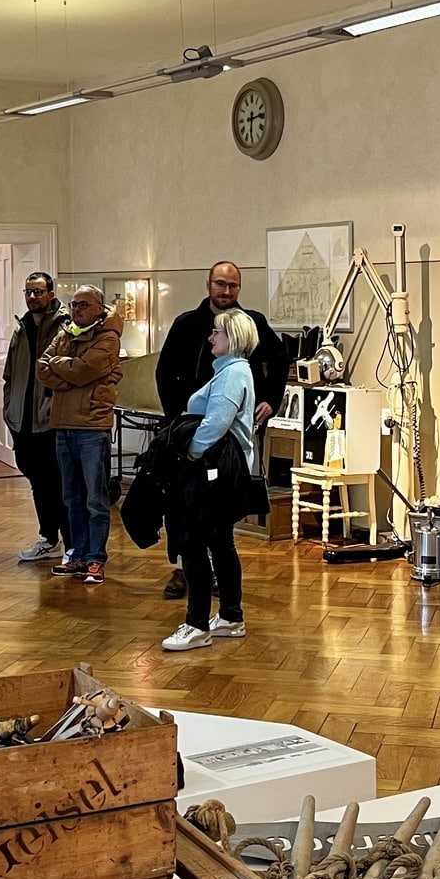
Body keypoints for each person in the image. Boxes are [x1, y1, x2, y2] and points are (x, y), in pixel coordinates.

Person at [154, 261, 288, 599]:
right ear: (209, 284)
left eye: (232, 285)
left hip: (224, 436)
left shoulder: (250, 324)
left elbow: (280, 360)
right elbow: (165, 373)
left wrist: (271, 399)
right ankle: (185, 568)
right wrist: (178, 421)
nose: (226, 291)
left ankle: (214, 579)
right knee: (183, 507)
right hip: (191, 426)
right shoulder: (187, 323)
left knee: (217, 513)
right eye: (220, 284)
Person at [161, 308, 262, 651]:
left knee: (193, 544)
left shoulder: (232, 374)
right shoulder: (233, 371)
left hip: (211, 473)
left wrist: (185, 456)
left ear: (233, 337)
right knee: (220, 543)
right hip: (222, 472)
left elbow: (214, 425)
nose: (210, 338)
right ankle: (231, 617)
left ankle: (197, 625)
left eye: (217, 332)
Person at [37, 285, 122, 585]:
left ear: (100, 308)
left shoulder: (108, 337)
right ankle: (77, 554)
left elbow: (84, 370)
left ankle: (96, 558)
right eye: (74, 305)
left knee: (95, 499)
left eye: (84, 305)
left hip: (92, 428)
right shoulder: (65, 332)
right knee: (71, 497)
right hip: (63, 425)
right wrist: (69, 376)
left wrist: (62, 368)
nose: (77, 310)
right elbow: (42, 369)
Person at [2, 271, 72, 562]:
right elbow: (9, 374)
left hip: (51, 421)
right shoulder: (21, 328)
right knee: (37, 482)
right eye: (28, 292)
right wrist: (9, 409)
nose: (32, 297)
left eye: (38, 291)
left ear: (51, 294)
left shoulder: (65, 327)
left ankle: (72, 545)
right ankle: (48, 538)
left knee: (59, 483)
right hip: (22, 421)